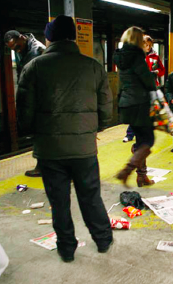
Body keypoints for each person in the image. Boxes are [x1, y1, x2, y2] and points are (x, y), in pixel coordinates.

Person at [15, 15, 113, 263]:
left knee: (59, 202)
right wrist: (91, 129)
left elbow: (24, 112)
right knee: (90, 197)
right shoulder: (93, 66)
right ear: (73, 36)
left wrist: (33, 134)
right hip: (84, 149)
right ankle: (103, 240)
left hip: (50, 151)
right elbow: (106, 111)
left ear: (49, 37)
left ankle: (66, 249)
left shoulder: (34, 67)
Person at [114, 26, 158, 188]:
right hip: (140, 103)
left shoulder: (120, 56)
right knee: (148, 141)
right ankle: (127, 169)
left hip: (127, 103)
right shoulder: (137, 56)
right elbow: (146, 80)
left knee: (141, 141)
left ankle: (142, 177)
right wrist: (152, 77)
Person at [5, 30, 47, 178]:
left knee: (42, 133)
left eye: (17, 46)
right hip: (31, 95)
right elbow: (21, 73)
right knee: (39, 133)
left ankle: (42, 166)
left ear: (22, 38)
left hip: (40, 98)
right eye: (13, 49)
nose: (16, 50)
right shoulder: (21, 50)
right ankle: (44, 165)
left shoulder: (38, 49)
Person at [123, 35, 167, 143]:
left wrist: (157, 72)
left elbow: (162, 70)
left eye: (149, 45)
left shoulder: (155, 57)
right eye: (146, 45)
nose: (147, 47)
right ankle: (130, 134)